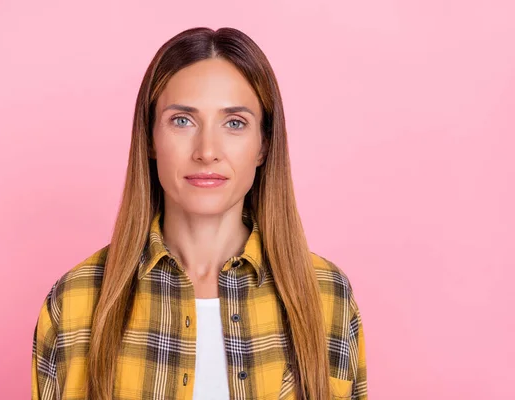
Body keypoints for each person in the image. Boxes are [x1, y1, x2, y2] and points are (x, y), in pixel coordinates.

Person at [31, 27, 367, 400]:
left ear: (263, 145)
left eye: (234, 123)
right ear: (150, 139)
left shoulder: (327, 296)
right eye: (182, 120)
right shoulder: (76, 301)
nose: (207, 151)